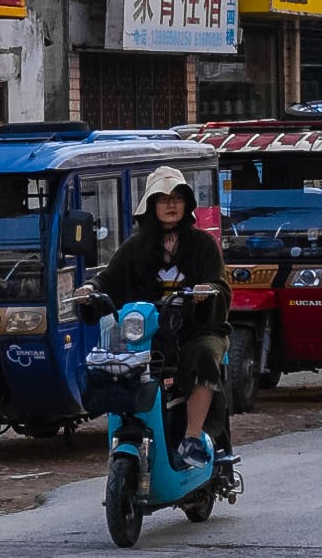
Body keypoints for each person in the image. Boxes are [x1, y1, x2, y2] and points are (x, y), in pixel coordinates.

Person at [93, 164, 235, 469]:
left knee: (203, 357)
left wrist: (206, 291)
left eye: (177, 198)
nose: (171, 205)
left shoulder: (203, 245)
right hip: (150, 332)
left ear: (187, 205)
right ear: (151, 206)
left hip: (197, 329)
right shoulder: (134, 248)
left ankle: (193, 437)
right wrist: (89, 289)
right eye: (163, 198)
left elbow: (221, 286)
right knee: (118, 365)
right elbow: (108, 280)